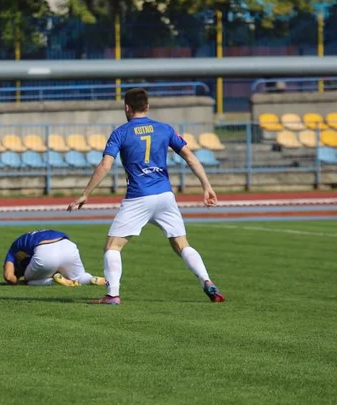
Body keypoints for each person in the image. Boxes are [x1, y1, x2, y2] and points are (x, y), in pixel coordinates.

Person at [68, 87, 225, 305]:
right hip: (165, 195)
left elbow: (105, 165)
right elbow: (190, 157)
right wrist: (206, 186)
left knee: (113, 246)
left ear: (126, 108)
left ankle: (112, 295)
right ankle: (207, 281)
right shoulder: (165, 129)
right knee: (182, 245)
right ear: (147, 107)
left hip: (138, 197)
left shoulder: (120, 133)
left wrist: (85, 194)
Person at [2, 229, 107, 287]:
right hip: (67, 245)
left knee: (29, 281)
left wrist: (19, 282)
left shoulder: (15, 247)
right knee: (79, 276)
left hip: (44, 251)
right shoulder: (29, 237)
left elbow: (8, 276)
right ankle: (91, 279)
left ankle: (52, 281)